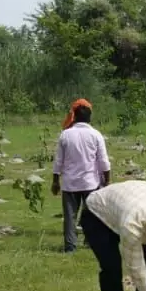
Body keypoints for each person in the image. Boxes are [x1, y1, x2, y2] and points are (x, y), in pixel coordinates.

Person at [52, 103, 111, 253]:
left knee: (70, 216)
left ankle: (70, 247)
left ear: (74, 117)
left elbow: (59, 160)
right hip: (90, 182)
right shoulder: (96, 135)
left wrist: (55, 180)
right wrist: (107, 179)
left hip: (70, 183)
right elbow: (103, 160)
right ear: (90, 117)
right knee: (92, 214)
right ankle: (90, 241)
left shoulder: (65, 134)